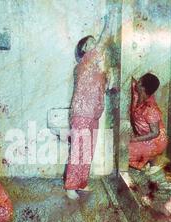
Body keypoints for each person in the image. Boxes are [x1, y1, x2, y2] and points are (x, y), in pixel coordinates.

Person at [64, 8, 116, 200]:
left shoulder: (95, 67)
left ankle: (82, 182)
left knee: (88, 149)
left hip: (93, 113)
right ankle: (70, 185)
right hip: (82, 113)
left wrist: (108, 76)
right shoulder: (86, 62)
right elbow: (105, 38)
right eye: (91, 42)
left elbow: (105, 87)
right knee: (79, 149)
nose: (95, 45)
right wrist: (110, 19)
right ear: (84, 49)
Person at [129, 73, 168, 170]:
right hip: (145, 138)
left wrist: (135, 139)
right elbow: (132, 81)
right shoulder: (138, 95)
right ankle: (146, 159)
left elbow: (155, 133)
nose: (137, 82)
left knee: (124, 154)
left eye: (139, 81)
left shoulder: (150, 108)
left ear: (142, 87)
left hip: (155, 141)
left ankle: (148, 160)